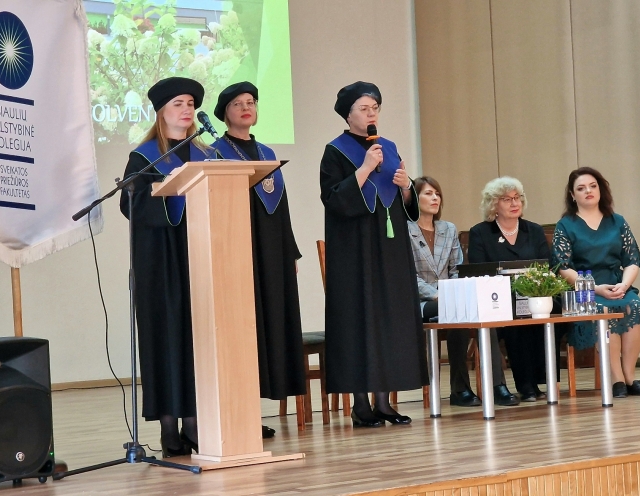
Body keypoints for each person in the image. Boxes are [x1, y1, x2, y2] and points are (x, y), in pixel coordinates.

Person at [320, 81, 428, 428]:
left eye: (375, 108)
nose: (371, 114)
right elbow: (334, 200)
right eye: (364, 108)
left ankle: (384, 402)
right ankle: (361, 404)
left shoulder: (389, 147)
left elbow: (407, 205)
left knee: (388, 320)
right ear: (348, 114)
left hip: (390, 248)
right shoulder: (335, 152)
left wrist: (407, 187)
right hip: (354, 251)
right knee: (359, 320)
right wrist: (365, 168)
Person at [119, 77, 211, 457]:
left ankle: (196, 424)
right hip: (161, 262)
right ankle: (170, 427)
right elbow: (130, 205)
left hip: (201, 258)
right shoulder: (145, 158)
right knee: (167, 339)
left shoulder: (207, 156)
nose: (187, 110)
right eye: (178, 103)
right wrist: (168, 190)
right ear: (161, 112)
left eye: (190, 103)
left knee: (198, 339)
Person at [212, 82, 305, 437]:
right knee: (241, 328)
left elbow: (281, 209)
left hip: (271, 254)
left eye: (250, 102)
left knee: (268, 327)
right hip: (238, 250)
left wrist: (289, 252)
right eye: (237, 103)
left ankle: (254, 411)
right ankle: (239, 411)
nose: (246, 107)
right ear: (225, 112)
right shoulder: (215, 152)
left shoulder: (267, 152)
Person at [408, 176, 517, 407]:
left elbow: (457, 269)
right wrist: (439, 294)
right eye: (428, 193)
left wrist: (454, 292)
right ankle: (459, 388)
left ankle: (497, 385)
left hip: (449, 297)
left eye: (437, 193)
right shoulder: (404, 230)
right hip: (418, 301)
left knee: (481, 309)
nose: (435, 198)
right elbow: (407, 275)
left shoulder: (448, 229)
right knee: (455, 309)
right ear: (413, 198)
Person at [551, 167, 640, 398]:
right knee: (604, 311)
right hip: (585, 291)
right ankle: (616, 379)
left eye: (593, 186)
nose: (588, 191)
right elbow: (563, 268)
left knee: (635, 306)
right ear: (572, 195)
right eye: (581, 188)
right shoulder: (565, 225)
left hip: (616, 285)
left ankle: (630, 377)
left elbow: (632, 261)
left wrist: (624, 285)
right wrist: (594, 288)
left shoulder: (617, 221)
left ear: (601, 189)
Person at [468, 177, 547, 402]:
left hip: (532, 294)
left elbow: (546, 266)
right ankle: (525, 385)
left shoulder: (534, 230)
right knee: (515, 315)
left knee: (540, 311)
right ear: (494, 204)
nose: (514, 203)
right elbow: (479, 269)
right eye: (506, 199)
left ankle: (538, 380)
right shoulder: (481, 233)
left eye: (517, 198)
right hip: (496, 299)